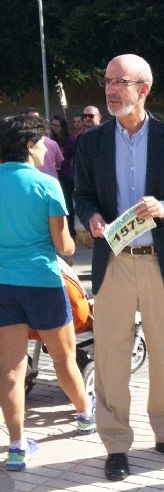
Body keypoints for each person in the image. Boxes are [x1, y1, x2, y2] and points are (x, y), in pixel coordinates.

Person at [74, 54, 164, 481]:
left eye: (120, 82)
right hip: (113, 263)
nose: (110, 89)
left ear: (143, 89)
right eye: (107, 80)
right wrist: (90, 217)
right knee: (110, 356)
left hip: (158, 262)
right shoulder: (92, 142)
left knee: (163, 355)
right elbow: (83, 195)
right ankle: (115, 442)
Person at [0, 114, 96, 471]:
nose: (45, 149)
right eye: (41, 143)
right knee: (64, 359)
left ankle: (16, 446)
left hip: (2, 285)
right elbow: (65, 246)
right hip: (42, 282)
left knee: (10, 369)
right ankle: (85, 416)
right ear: (28, 145)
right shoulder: (47, 185)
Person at [51, 116, 78, 239]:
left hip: (66, 176)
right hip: (54, 176)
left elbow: (74, 157)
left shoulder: (70, 140)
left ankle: (71, 231)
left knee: (67, 205)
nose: (54, 127)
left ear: (62, 126)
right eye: (53, 125)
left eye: (57, 125)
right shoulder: (52, 140)